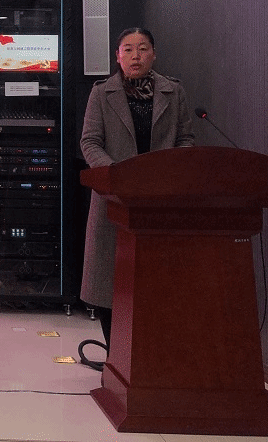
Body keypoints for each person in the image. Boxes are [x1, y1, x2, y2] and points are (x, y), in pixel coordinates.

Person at [78, 27, 194, 367]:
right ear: (117, 57)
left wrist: (169, 172)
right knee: (109, 283)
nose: (135, 56)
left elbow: (185, 139)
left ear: (153, 54)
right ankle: (117, 360)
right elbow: (90, 142)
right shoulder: (102, 93)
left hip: (159, 201)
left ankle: (150, 361)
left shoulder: (173, 91)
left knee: (156, 284)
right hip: (114, 199)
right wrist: (116, 175)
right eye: (128, 49)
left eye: (142, 49)